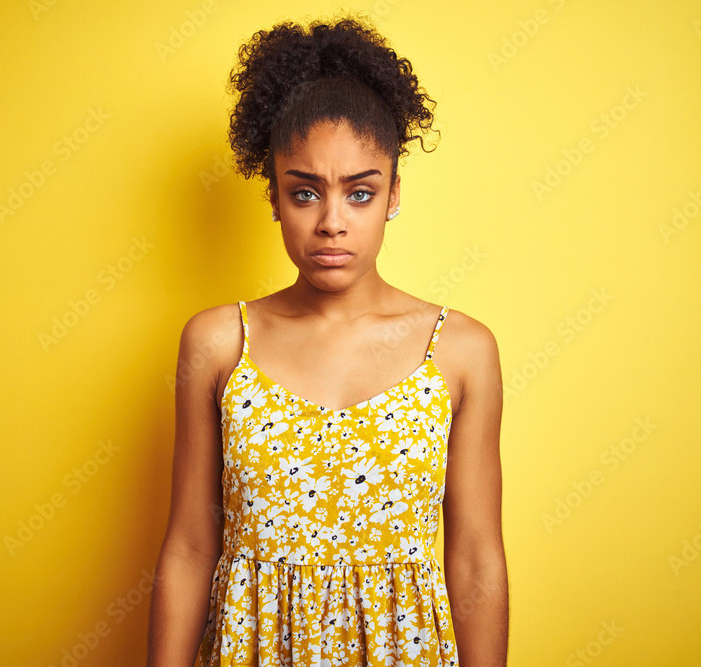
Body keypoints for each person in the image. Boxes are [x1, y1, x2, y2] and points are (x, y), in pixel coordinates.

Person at [147, 13, 507, 667]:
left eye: (361, 193)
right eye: (306, 192)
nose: (332, 223)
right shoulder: (218, 343)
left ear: (394, 192)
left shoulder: (460, 351)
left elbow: (477, 553)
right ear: (275, 197)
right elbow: (190, 546)